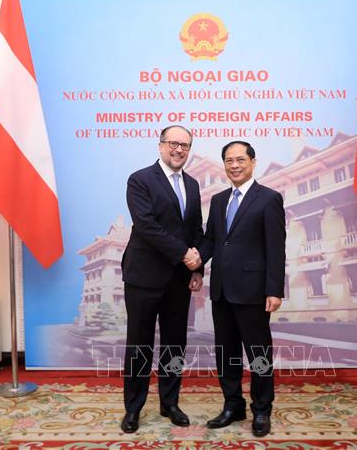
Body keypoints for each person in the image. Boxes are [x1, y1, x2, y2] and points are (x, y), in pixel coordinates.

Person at [197, 141, 286, 437]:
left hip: (254, 291)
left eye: (240, 160)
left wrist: (274, 290)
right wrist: (196, 265)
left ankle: (261, 409)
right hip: (221, 290)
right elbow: (211, 241)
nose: (234, 165)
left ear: (252, 162)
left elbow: (276, 248)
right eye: (229, 161)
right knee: (227, 353)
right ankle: (232, 405)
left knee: (259, 354)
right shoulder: (218, 200)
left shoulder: (269, 198)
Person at [120, 125, 204, 433]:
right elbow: (146, 226)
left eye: (185, 145)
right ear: (160, 145)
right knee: (139, 345)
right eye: (173, 143)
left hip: (178, 280)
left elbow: (195, 229)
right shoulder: (140, 179)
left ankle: (170, 403)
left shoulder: (192, 184)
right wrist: (184, 254)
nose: (179, 149)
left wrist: (197, 268)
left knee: (174, 345)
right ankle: (133, 408)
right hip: (144, 276)